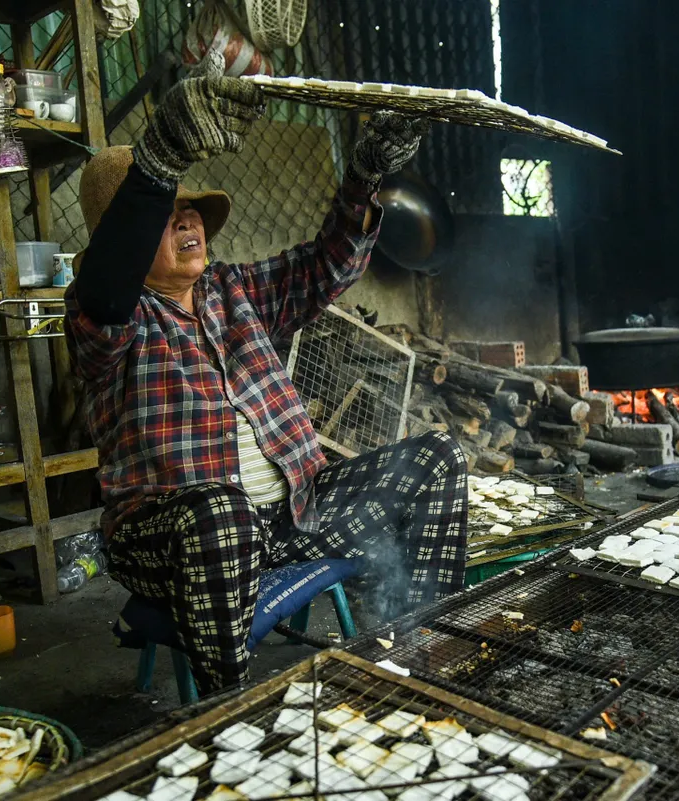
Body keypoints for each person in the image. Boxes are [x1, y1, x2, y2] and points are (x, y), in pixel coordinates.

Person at [64, 52, 468, 695]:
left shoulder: (233, 289)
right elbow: (105, 289)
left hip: (289, 514)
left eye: (189, 210)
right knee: (221, 514)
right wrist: (159, 160)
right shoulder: (109, 321)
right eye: (167, 216)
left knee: (438, 458)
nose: (188, 220)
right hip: (173, 538)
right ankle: (234, 716)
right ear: (127, 241)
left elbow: (325, 267)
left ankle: (415, 651)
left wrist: (365, 175)